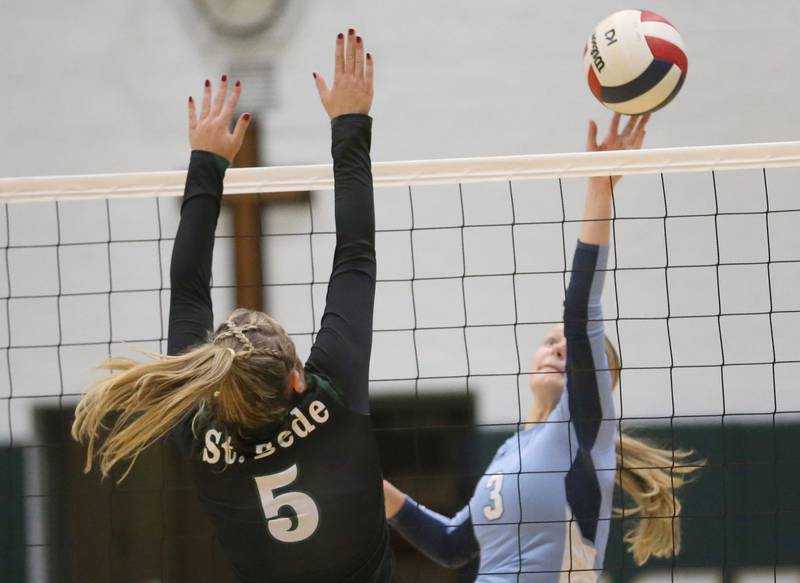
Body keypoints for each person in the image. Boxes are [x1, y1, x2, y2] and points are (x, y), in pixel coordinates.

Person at [72, 30, 392, 583]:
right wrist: (208, 161)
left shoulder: (202, 437)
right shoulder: (211, 423)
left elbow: (355, 261)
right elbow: (191, 293)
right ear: (296, 381)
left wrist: (348, 126)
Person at [383, 114, 701, 582]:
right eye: (549, 342)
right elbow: (452, 545)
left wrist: (599, 189)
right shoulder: (509, 451)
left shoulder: (583, 426)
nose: (558, 349)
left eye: (569, 348)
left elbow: (581, 311)